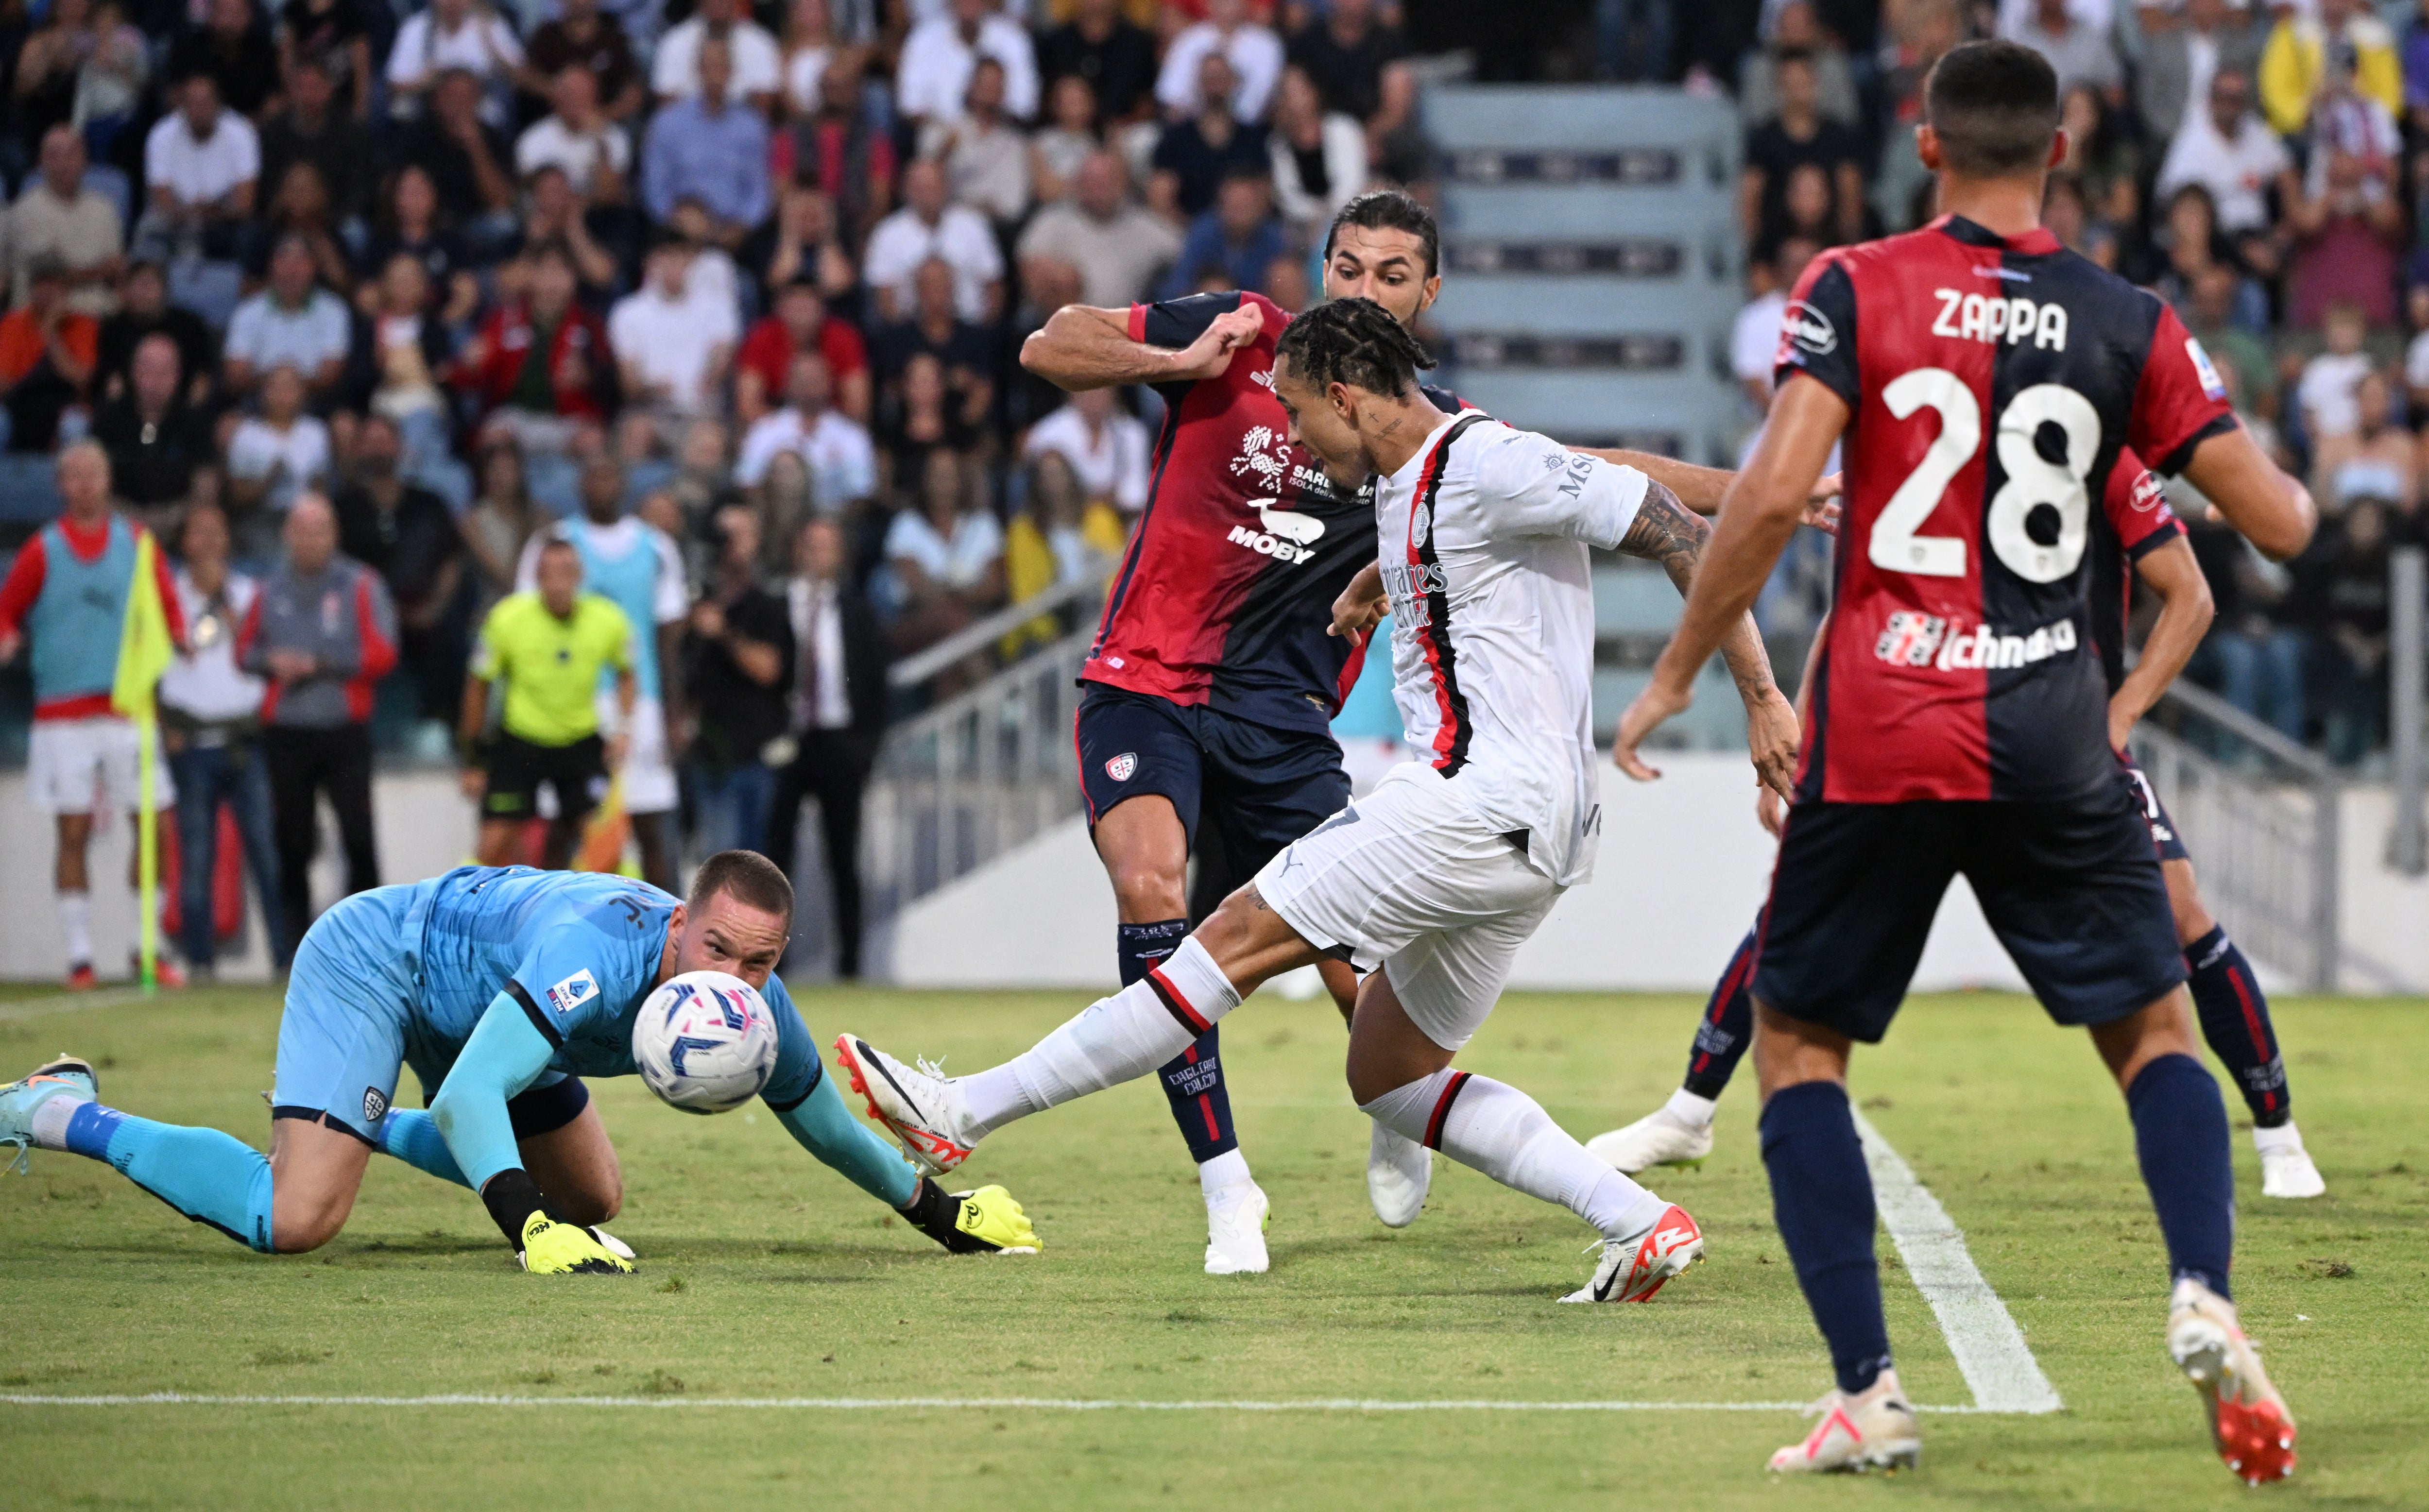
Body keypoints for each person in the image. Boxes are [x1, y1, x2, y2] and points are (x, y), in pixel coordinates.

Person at [1608, 40, 2316, 1479]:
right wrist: (2257, 455)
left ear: (1922, 150)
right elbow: (2280, 524)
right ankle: (2201, 1290)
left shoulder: (1852, 284)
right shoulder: (2131, 317)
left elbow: (1758, 498)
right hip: (2055, 727)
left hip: (1878, 723)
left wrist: (1679, 669)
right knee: (2151, 1033)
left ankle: (1867, 1391)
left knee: (1800, 1044)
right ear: (2060, 150)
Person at [835, 296, 1771, 1311]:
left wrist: (1756, 696)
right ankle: (1640, 1220)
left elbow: (1675, 524)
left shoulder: (1484, 460)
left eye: (1292, 412)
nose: (1284, 434)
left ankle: (961, 1109)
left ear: (1343, 396)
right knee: (1393, 1076)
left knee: (1222, 943)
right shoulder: (1420, 482)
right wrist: (1381, 578)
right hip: (1539, 835)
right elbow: (1467, 541)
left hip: (1470, 801)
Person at [1595, 449, 2333, 1198]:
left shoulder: (2091, 447)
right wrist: (1807, 737)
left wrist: (2120, 715)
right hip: (1918, 730)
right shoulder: (1926, 459)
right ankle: (1690, 1110)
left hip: (2053, 739)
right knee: (1793, 906)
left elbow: (2193, 594)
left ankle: (2277, 1132)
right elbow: (1854, 608)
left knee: (2180, 912)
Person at [0, 852, 1039, 1269]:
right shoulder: (599, 952)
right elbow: (466, 1093)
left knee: (593, 1195)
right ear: (679, 924)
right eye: (717, 949)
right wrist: (522, 1228)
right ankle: (54, 1105)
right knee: (298, 1218)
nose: (734, 976)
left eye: (759, 962)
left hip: (489, 1011)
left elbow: (819, 1124)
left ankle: (350, 1123)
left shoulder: (752, 1006)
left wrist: (941, 1215)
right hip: (380, 961)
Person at [0, 442, 188, 989]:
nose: (84, 484)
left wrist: (178, 638)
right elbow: (8, 608)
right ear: (62, 484)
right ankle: (80, 956)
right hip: (62, 713)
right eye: (74, 475)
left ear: (108, 481)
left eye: (94, 474)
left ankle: (145, 948)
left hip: (129, 709)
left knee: (154, 824)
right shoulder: (43, 549)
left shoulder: (137, 542)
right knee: (73, 828)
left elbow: (168, 606)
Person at [514, 460, 688, 892]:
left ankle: (665, 941)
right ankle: (544, 927)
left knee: (648, 822)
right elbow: (524, 627)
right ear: (580, 483)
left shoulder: (657, 547)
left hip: (640, 700)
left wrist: (674, 712)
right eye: (594, 475)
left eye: (610, 475)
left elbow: (667, 640)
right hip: (569, 704)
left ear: (626, 483)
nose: (602, 484)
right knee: (564, 825)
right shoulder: (552, 545)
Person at [241, 493, 394, 940]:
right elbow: (243, 651)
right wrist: (273, 662)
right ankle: (294, 947)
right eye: (301, 530)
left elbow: (384, 652)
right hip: (286, 732)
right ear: (287, 535)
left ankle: (368, 944)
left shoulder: (361, 584)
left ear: (334, 535)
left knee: (359, 838)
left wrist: (319, 663)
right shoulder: (268, 590)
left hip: (344, 730)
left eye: (319, 530)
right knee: (293, 842)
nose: (310, 540)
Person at [159, 502, 288, 978]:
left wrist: (228, 611)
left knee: (268, 859)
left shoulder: (250, 594)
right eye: (200, 532)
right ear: (185, 542)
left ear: (229, 540)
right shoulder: (167, 597)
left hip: (246, 740)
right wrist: (162, 724)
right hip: (191, 743)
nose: (210, 541)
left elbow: (263, 655)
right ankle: (199, 963)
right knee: (196, 860)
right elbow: (154, 667)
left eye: (218, 531)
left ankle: (285, 961)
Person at [463, 536, 632, 870]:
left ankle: (602, 917)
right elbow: (477, 686)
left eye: (567, 570)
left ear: (580, 575)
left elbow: (627, 674)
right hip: (521, 739)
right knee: (493, 843)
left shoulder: (609, 620)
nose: (558, 580)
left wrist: (622, 728)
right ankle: (466, 913)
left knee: (606, 846)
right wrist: (473, 760)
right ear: (537, 576)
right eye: (549, 571)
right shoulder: (507, 618)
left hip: (580, 740)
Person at [770, 516, 887, 977]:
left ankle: (851, 964)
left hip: (840, 741)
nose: (820, 554)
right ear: (798, 549)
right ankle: (774, 965)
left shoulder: (857, 610)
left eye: (828, 546)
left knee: (844, 857)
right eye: (812, 544)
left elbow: (877, 683)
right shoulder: (779, 603)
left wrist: (865, 749)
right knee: (776, 860)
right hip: (787, 741)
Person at [334, 414, 464, 725]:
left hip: (423, 613)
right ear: (358, 450)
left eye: (385, 441)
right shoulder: (343, 507)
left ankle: (442, 731)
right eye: (371, 442)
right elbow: (335, 568)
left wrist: (434, 608)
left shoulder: (429, 502)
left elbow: (452, 560)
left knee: (453, 640)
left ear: (400, 448)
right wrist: (376, 612)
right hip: (364, 617)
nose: (379, 449)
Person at [684, 505, 793, 859]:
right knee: (716, 869)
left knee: (753, 871)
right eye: (723, 535)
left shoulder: (768, 605)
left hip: (754, 758)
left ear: (757, 542)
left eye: (740, 534)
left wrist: (725, 634)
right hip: (709, 756)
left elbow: (770, 669)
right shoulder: (696, 603)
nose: (729, 545)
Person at [639, 37, 770, 246]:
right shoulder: (668, 123)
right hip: (678, 232)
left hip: (736, 236)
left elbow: (758, 189)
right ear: (698, 71)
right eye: (708, 67)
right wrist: (677, 220)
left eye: (721, 67)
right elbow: (655, 188)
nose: (714, 75)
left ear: (731, 71)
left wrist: (742, 225)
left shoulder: (752, 126)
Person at [1017, 150, 1181, 311]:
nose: (1098, 188)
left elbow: (1187, 256)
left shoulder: (1147, 226)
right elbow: (1028, 265)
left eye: (1107, 180)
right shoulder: (1053, 220)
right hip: (1062, 323)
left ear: (1123, 183)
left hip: (1124, 328)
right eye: (1091, 180)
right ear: (1077, 183)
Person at [610, 238, 739, 427]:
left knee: (707, 434)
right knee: (637, 430)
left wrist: (706, 383)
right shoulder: (628, 312)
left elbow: (721, 361)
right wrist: (652, 390)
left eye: (679, 258)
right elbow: (630, 384)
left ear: (691, 264)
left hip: (701, 411)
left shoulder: (717, 309)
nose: (673, 266)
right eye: (666, 259)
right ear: (650, 264)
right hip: (650, 410)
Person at [135, 73, 258, 265]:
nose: (199, 111)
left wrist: (212, 213)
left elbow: (245, 203)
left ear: (218, 104)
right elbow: (161, 198)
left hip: (224, 219)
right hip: (177, 215)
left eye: (205, 103)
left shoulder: (241, 131)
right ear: (182, 106)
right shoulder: (162, 134)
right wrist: (190, 214)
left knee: (249, 236)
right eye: (192, 104)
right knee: (150, 227)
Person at [863, 158, 1004, 325]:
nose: (927, 195)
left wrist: (984, 335)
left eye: (933, 187)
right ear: (907, 190)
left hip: (971, 328)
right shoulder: (887, 233)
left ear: (946, 187)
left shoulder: (974, 225)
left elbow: (993, 284)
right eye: (920, 188)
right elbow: (884, 295)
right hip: (911, 330)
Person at [736, 350, 877, 513]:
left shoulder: (852, 434)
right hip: (777, 519)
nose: (809, 386)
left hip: (834, 521)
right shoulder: (765, 429)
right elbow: (748, 482)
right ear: (788, 383)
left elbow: (862, 492)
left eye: (815, 379)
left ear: (830, 382)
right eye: (802, 380)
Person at [92, 331, 215, 514]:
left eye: (164, 372)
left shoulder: (194, 421)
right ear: (133, 371)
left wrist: (180, 515)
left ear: (178, 375)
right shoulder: (109, 417)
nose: (155, 381)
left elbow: (206, 481)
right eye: (148, 370)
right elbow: (94, 475)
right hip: (120, 515)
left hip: (178, 516)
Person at [8, 125, 122, 316]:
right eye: (54, 156)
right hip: (42, 319)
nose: (64, 163)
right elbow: (52, 276)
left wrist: (101, 272)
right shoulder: (25, 210)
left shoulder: (104, 208)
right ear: (41, 162)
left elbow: (117, 271)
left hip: (100, 316)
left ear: (86, 160)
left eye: (72, 154)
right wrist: (101, 270)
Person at [223, 234, 350, 400]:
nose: (292, 270)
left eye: (301, 261)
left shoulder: (334, 310)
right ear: (271, 266)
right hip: (258, 399)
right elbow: (236, 374)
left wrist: (288, 387)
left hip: (315, 400)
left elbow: (330, 375)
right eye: (284, 260)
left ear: (315, 267)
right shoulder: (248, 311)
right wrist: (279, 387)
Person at [736, 275, 872, 427]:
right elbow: (747, 407)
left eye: (808, 309)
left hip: (833, 427)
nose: (802, 317)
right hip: (776, 426)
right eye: (795, 309)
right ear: (779, 308)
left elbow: (859, 409)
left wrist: (821, 428)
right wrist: (791, 426)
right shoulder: (762, 337)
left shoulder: (843, 337)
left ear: (822, 310)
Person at [0, 255, 99, 453]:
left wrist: (50, 333)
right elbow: (4, 384)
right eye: (40, 283)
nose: (47, 291)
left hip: (66, 408)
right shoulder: (13, 323)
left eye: (54, 283)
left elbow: (82, 381)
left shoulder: (84, 325)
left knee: (75, 426)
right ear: (31, 288)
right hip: (21, 406)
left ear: (65, 288)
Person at [896, 0, 1038, 125]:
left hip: (999, 133)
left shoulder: (1014, 38)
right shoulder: (924, 37)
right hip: (943, 133)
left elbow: (1025, 106)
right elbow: (911, 106)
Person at [225, 363, 333, 519]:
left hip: (305, 519)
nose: (282, 394)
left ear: (303, 392)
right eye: (276, 387)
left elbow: (321, 487)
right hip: (259, 520)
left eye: (290, 387)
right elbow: (236, 497)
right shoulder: (246, 433)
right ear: (263, 392)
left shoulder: (316, 432)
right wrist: (268, 480)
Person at [1157, 0, 1283, 123]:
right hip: (1194, 128)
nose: (1224, 3)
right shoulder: (1188, 39)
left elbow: (1264, 95)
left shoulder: (1267, 44)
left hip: (1251, 130)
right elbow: (1172, 95)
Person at [1037, 0, 1156, 125]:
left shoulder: (1139, 44)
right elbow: (1044, 98)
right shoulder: (1054, 43)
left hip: (1124, 130)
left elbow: (1147, 99)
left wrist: (1122, 124)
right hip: (1064, 130)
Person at [650, 0, 781, 109]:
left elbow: (764, 105)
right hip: (689, 134)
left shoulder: (760, 42)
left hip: (741, 133)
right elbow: (667, 106)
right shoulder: (675, 41)